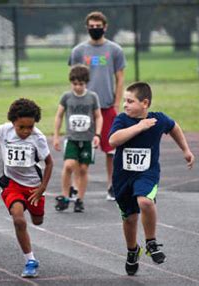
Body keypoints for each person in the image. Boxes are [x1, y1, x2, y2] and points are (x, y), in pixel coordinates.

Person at [108, 82, 194, 276]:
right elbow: (113, 140)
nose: (125, 105)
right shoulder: (122, 120)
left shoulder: (158, 120)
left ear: (145, 103)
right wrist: (139, 127)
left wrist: (186, 150)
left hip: (147, 173)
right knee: (130, 218)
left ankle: (151, 242)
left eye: (130, 101)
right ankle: (132, 250)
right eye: (124, 101)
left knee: (145, 202)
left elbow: (174, 127)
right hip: (123, 177)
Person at [0, 98, 53, 278]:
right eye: (21, 127)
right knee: (19, 220)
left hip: (34, 186)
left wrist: (42, 188)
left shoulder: (38, 137)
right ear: (13, 123)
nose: (26, 131)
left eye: (30, 127)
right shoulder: (4, 131)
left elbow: (49, 163)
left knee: (37, 221)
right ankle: (30, 260)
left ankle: (36, 211)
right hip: (12, 184)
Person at [69, 11, 126, 200]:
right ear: (87, 28)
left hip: (107, 105)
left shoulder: (115, 50)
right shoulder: (78, 51)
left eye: (98, 26)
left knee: (111, 148)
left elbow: (120, 79)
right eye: (91, 26)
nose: (95, 29)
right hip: (84, 107)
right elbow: (73, 78)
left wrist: (117, 103)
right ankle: (76, 186)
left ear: (105, 26)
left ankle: (112, 186)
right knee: (78, 147)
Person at [53, 64, 103, 213]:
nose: (78, 87)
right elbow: (59, 115)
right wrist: (56, 136)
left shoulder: (92, 97)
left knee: (82, 170)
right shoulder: (66, 97)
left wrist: (98, 134)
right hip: (72, 139)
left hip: (87, 139)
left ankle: (79, 199)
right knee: (68, 165)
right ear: (71, 83)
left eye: (81, 84)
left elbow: (98, 116)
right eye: (74, 84)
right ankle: (65, 196)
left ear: (86, 82)